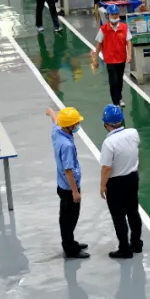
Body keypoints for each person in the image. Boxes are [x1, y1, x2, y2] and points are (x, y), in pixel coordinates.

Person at [99, 104, 144, 259]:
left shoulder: (109, 143)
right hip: (132, 178)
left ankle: (124, 249)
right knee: (133, 212)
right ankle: (136, 244)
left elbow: (107, 168)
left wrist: (102, 185)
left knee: (119, 217)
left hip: (116, 183)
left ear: (106, 123)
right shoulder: (133, 133)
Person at [46, 107, 90, 259]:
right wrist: (75, 192)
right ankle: (70, 249)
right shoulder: (67, 146)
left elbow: (55, 122)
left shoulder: (58, 132)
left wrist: (51, 113)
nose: (77, 125)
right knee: (69, 219)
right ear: (69, 125)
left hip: (62, 185)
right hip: (69, 188)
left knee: (67, 217)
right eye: (76, 123)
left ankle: (70, 241)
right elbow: (68, 170)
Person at [91, 5, 132, 107]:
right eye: (112, 14)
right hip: (110, 60)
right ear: (108, 16)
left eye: (116, 14)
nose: (114, 16)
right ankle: (116, 102)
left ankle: (119, 97)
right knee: (113, 80)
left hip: (121, 58)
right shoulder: (104, 29)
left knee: (119, 80)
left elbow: (128, 42)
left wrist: (129, 55)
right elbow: (99, 44)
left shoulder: (124, 27)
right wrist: (95, 59)